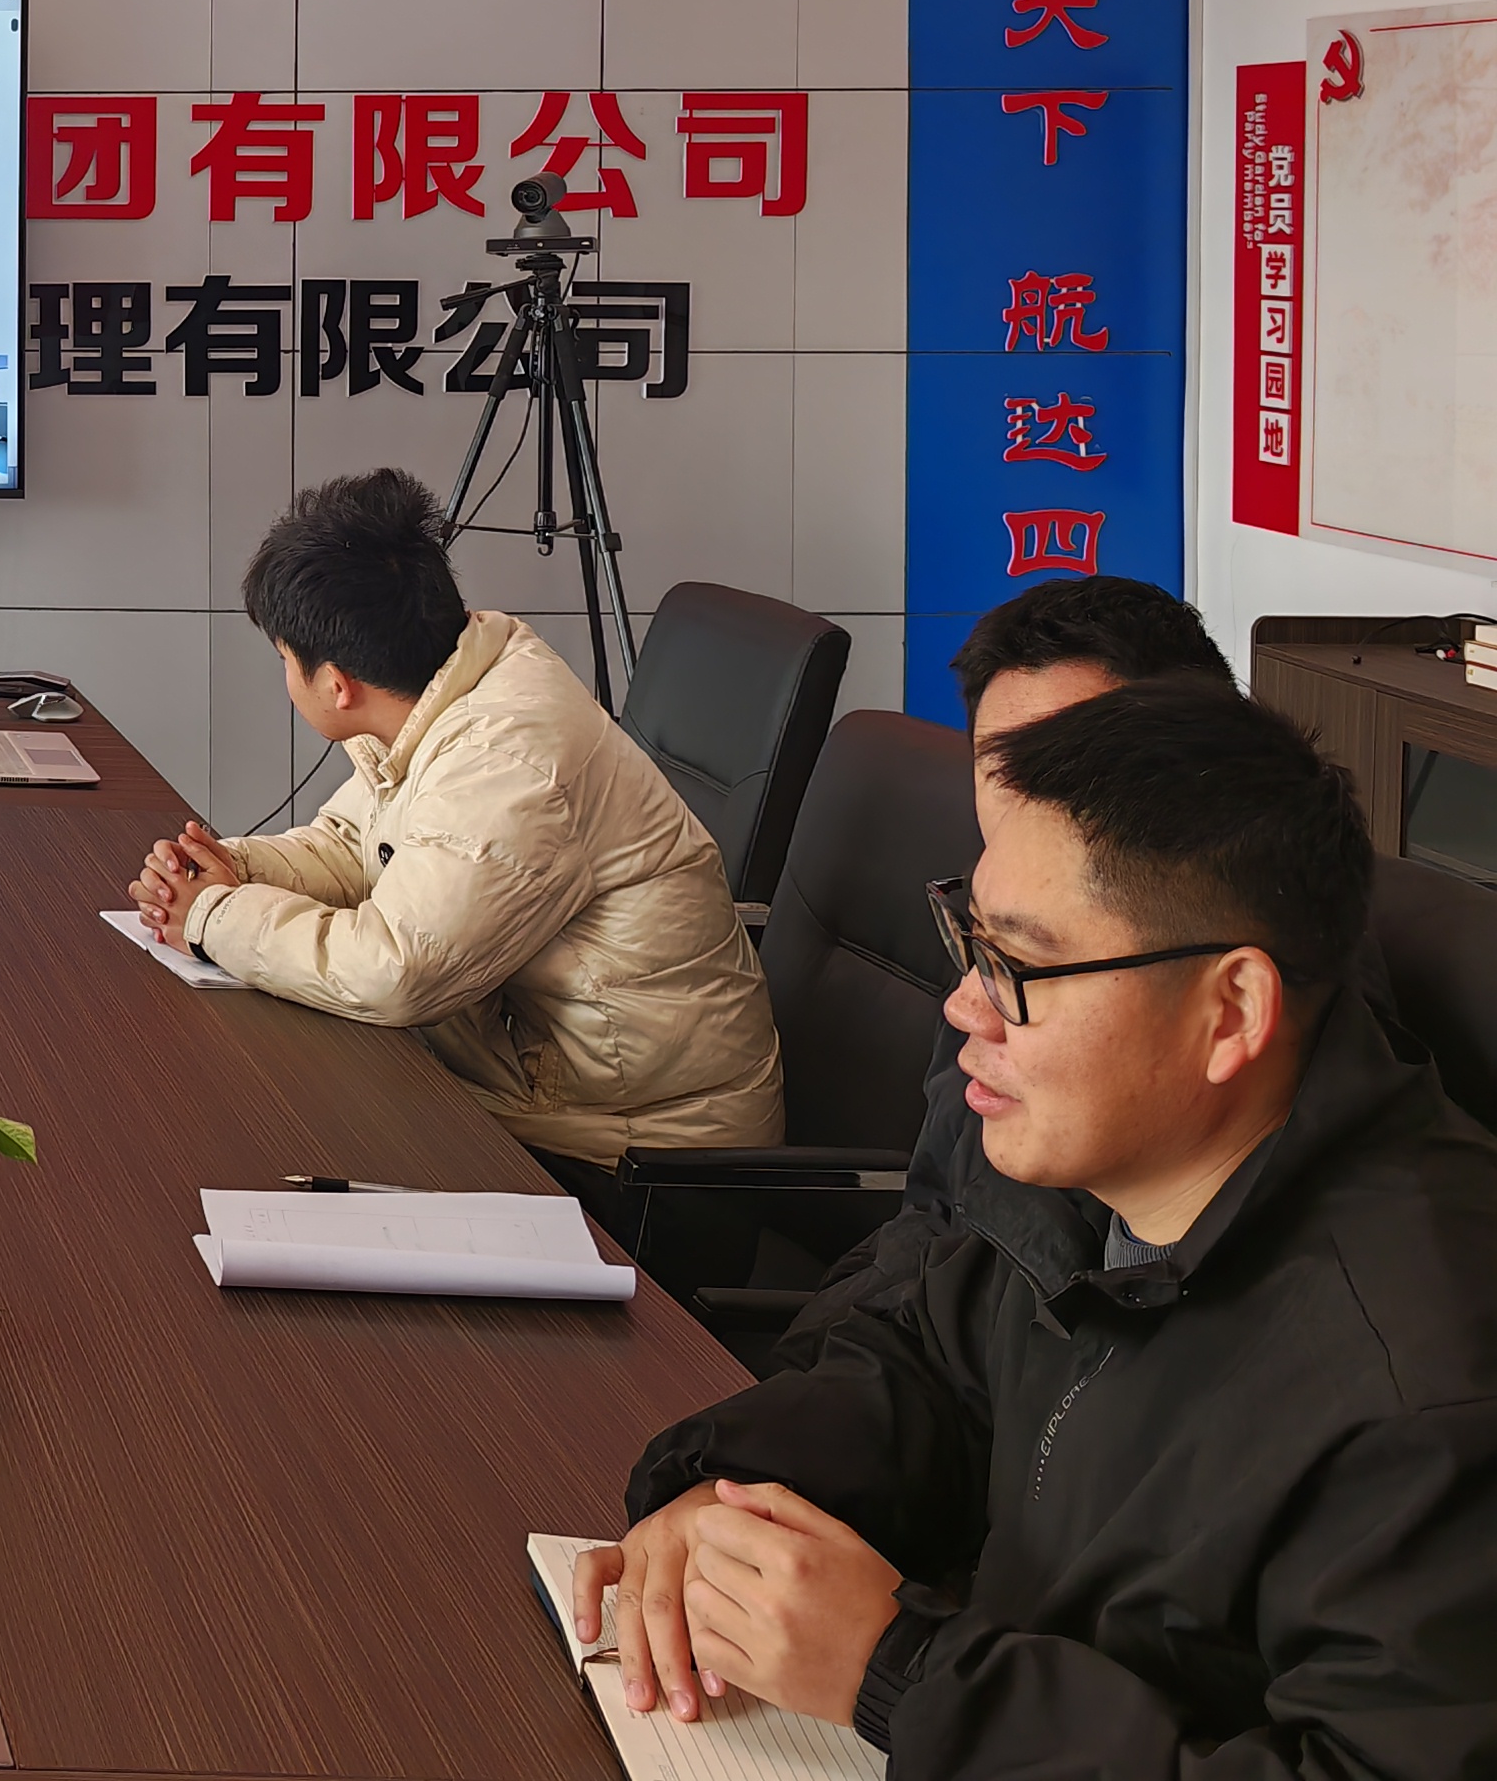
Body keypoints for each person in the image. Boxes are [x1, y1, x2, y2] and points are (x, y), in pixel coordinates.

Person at [576, 680, 1497, 1773]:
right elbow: (929, 1372)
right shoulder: (1113, 1156)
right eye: (968, 941)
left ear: (1231, 1012)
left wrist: (899, 1672)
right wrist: (727, 1500)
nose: (963, 1005)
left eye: (1017, 966)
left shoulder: (1423, 1390)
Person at [130, 468, 781, 1154]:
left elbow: (399, 971)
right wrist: (229, 868)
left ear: (337, 685)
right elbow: (356, 848)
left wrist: (213, 916)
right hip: (536, 1081)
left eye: (286, 660)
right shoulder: (450, 686)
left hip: (636, 1145)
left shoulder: (506, 760)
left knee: (246, 1130)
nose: (286, 679)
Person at [759, 573, 1238, 1369]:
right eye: (1000, 770)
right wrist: (787, 1406)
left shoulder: (1191, 993)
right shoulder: (993, 952)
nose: (1024, 810)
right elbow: (930, 1234)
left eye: (1066, 772)